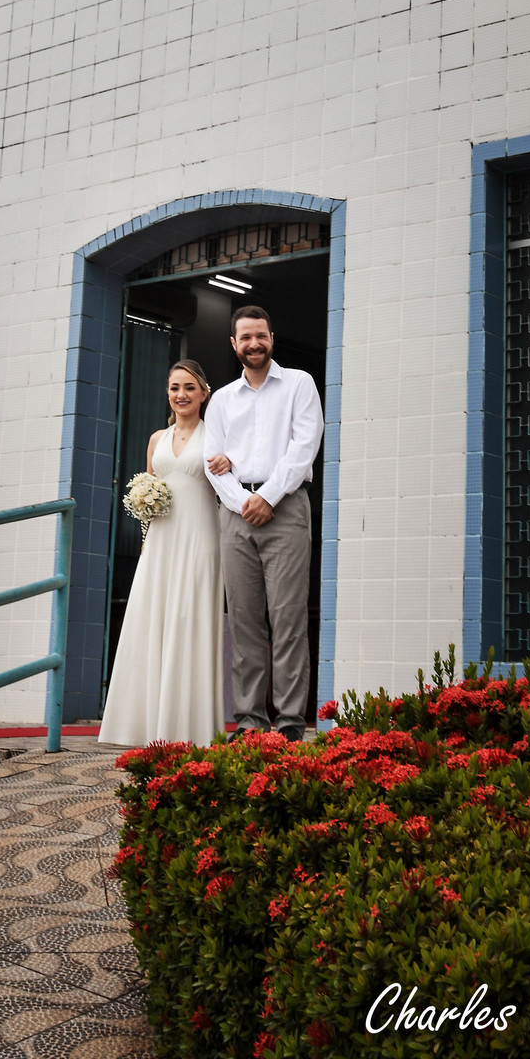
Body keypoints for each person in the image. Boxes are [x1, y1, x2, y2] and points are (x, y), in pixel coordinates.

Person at [203, 304, 323, 741]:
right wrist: (243, 501)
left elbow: (303, 448)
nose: (255, 344)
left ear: (272, 338)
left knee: (288, 619)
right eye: (246, 338)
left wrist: (267, 497)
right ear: (234, 345)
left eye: (262, 336)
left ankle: (290, 724)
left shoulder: (299, 384)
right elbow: (211, 460)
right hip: (235, 514)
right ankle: (251, 723)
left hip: (285, 509)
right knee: (245, 621)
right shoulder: (221, 400)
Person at [98, 358, 225, 746]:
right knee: (151, 619)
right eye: (174, 387)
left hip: (201, 537)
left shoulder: (217, 436)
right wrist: (143, 516)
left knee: (190, 619)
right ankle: (142, 723)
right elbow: (148, 488)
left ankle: (189, 727)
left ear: (204, 393)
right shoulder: (156, 439)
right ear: (167, 393)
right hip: (160, 542)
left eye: (189, 387)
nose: (181, 395)